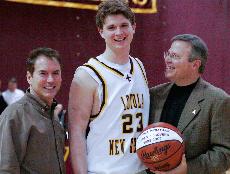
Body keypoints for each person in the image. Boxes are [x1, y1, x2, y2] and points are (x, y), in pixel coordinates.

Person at [68, 0, 149, 173]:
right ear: (101, 31)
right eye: (111, 27)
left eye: (124, 25)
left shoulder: (139, 66)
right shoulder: (87, 75)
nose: (119, 32)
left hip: (141, 169)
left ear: (134, 27)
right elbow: (76, 133)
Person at [149, 34, 230, 174]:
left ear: (195, 64)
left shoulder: (218, 100)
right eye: (168, 54)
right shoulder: (153, 95)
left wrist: (186, 169)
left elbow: (224, 154)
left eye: (175, 56)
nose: (168, 60)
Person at [0, 47, 66, 174]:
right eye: (43, 73)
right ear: (29, 77)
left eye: (56, 73)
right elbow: (5, 169)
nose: (50, 79)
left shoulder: (53, 116)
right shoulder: (14, 116)